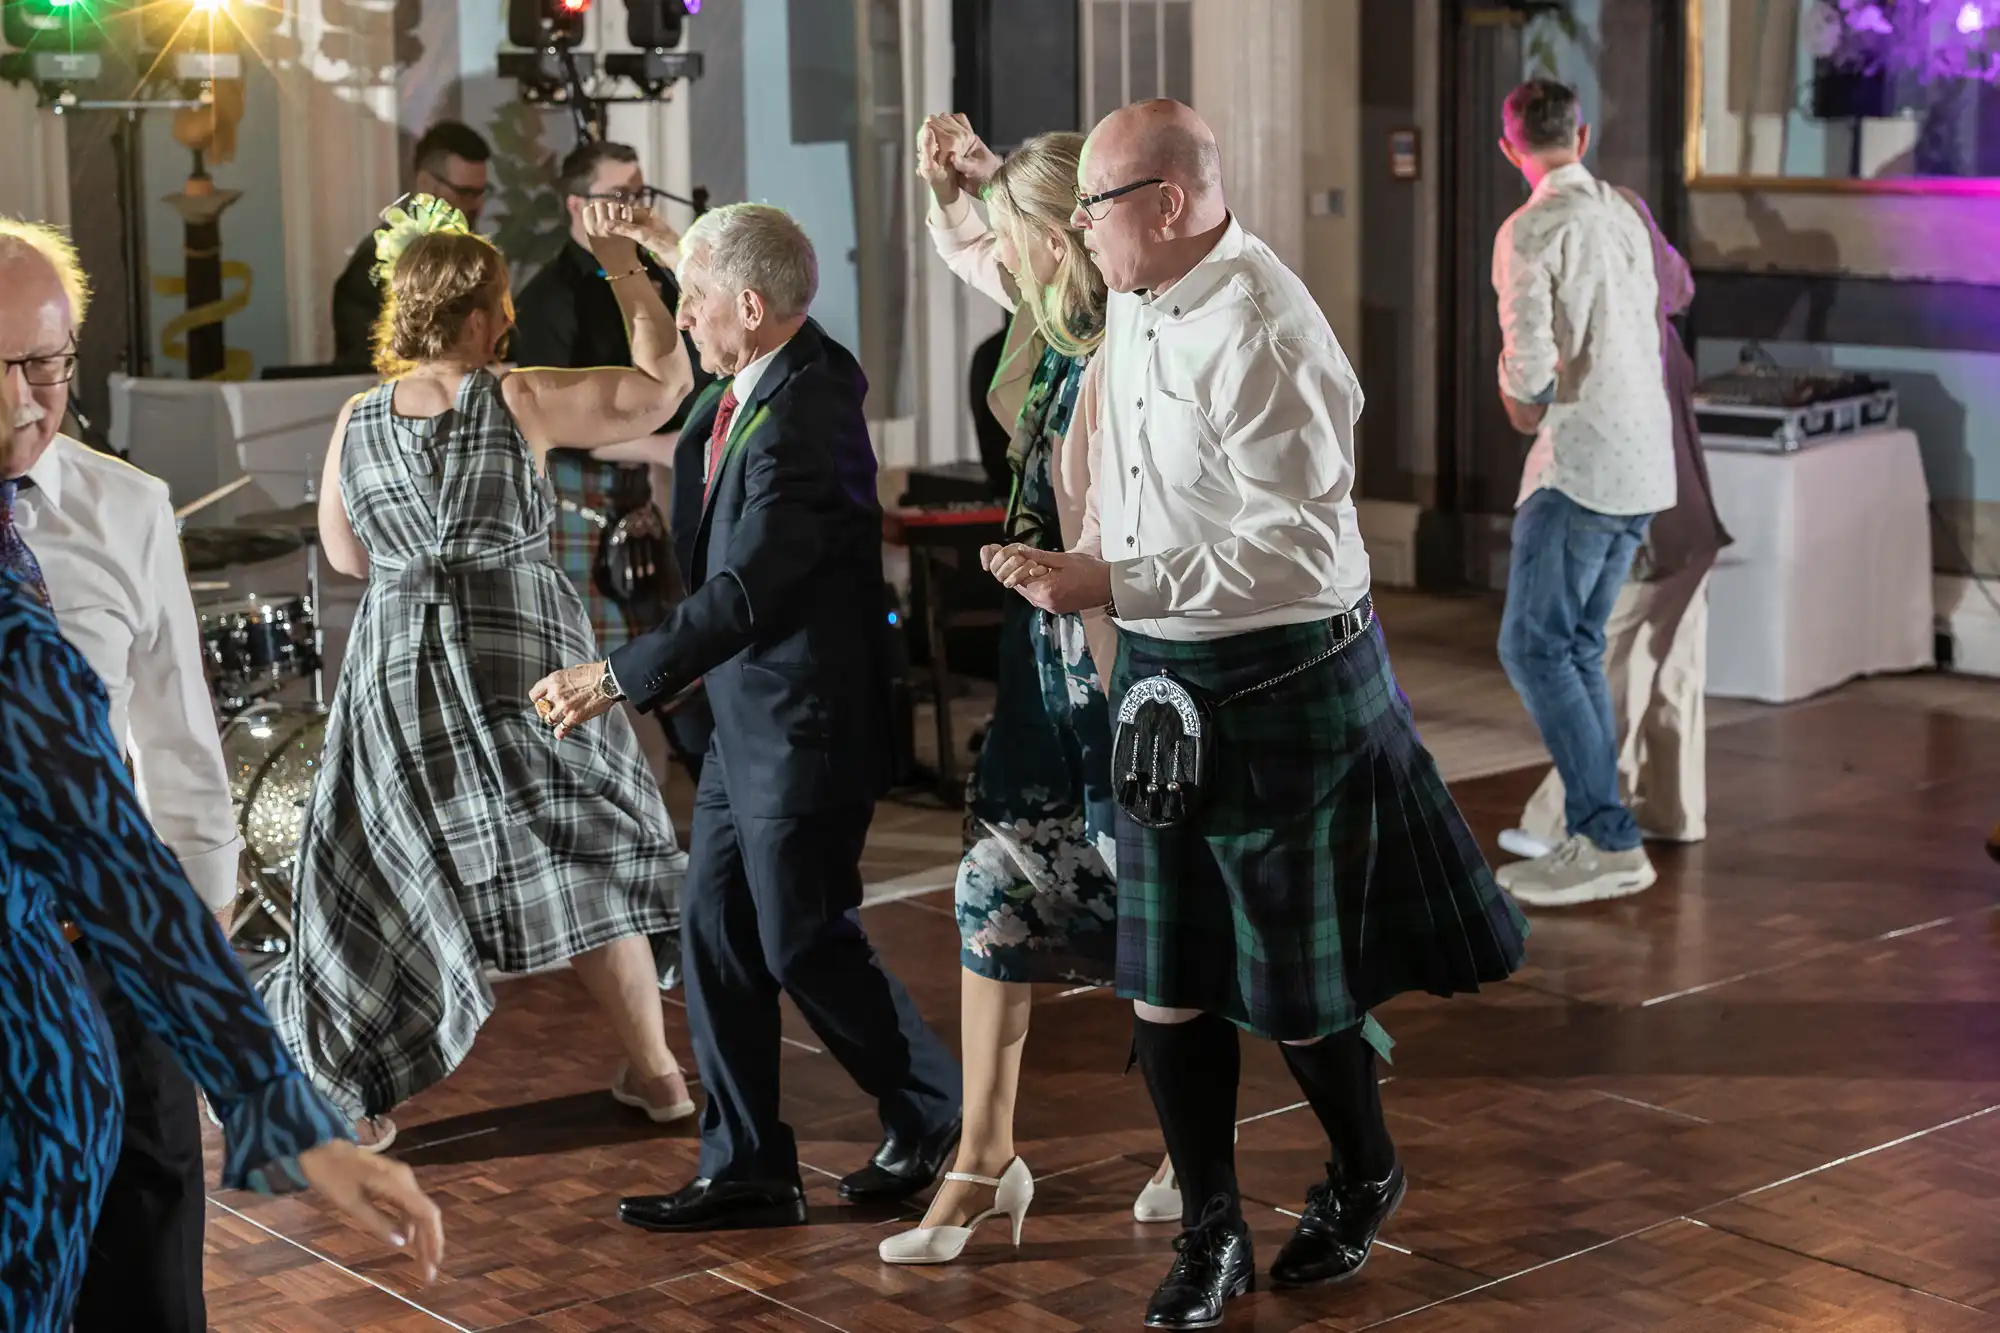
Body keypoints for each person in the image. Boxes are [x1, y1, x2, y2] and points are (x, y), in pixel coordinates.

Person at [988, 99, 1529, 1330]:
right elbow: (1014, 264)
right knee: (1166, 980)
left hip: (1283, 677)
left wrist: (1106, 583)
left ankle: (1361, 1168)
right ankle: (1211, 1232)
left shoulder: (1264, 331)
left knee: (1292, 979)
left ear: (1166, 205)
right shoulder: (1135, 282)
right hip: (1165, 682)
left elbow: (1288, 554)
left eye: (1093, 208)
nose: (1075, 232)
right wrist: (974, 189)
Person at [531, 203, 963, 1232]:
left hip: (802, 721)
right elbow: (741, 254)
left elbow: (752, 587)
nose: (683, 318)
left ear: (753, 308)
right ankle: (748, 1166)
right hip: (748, 719)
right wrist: (661, 235)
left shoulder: (803, 416)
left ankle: (938, 1120)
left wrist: (618, 676)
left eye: (694, 299)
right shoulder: (780, 369)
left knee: (800, 936)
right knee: (716, 933)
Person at [0, 383, 446, 1333]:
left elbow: (117, 842)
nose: (19, 398)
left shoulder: (24, 624)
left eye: (43, 362)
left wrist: (286, 1116)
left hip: (48, 1060)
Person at [256, 195, 699, 1150]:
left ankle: (364, 1097)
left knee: (377, 871)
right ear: (471, 317)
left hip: (398, 669)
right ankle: (660, 1076)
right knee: (590, 846)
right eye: (498, 306)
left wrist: (423, 562)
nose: (509, 320)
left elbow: (344, 553)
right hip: (527, 655)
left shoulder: (356, 418)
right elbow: (665, 383)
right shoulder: (519, 394)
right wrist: (622, 264)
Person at [873, 113, 1173, 1267]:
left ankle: (1182, 1145)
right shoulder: (1050, 328)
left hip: (1119, 657)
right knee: (990, 884)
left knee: (1151, 911)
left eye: (1018, 235)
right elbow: (976, 247)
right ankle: (982, 1159)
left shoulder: (1132, 343)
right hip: (1040, 652)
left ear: (1059, 241)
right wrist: (962, 181)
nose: (996, 254)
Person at [0, 219, 246, 1333]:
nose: (26, 397)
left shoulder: (125, 508)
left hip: (111, 947)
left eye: (45, 363)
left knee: (147, 1249)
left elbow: (182, 747)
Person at [1499, 187, 1731, 880]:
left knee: (1578, 657)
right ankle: (1662, 815)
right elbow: (1679, 284)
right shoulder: (1644, 331)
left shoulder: (1613, 341)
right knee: (1649, 665)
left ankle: (1596, 828)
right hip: (1679, 509)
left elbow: (1529, 390)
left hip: (1642, 507)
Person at [1489, 79, 1678, 905]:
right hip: (1643, 464)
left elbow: (1528, 386)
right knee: (1573, 650)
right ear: (1584, 134)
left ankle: (1606, 834)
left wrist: (1520, 393)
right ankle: (1599, 830)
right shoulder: (1624, 214)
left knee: (1534, 649)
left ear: (1511, 148)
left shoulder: (1533, 227)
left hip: (1580, 466)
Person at [513, 140, 718, 789]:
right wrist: (659, 444)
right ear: (578, 204)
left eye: (640, 193)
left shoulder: (648, 276)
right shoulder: (549, 296)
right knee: (607, 674)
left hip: (644, 499)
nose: (633, 206)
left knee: (672, 670)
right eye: (620, 195)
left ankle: (698, 796)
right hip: (581, 502)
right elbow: (554, 426)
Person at [332, 120, 491, 371]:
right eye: (465, 193)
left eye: (482, 193)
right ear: (426, 184)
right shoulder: (373, 265)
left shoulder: (478, 258)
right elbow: (364, 366)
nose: (476, 206)